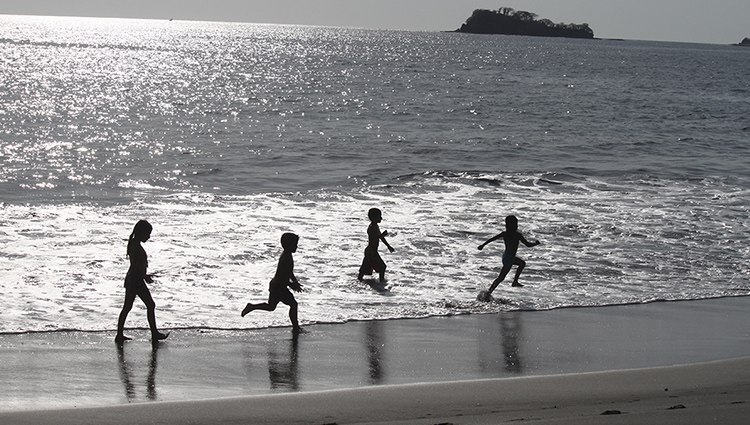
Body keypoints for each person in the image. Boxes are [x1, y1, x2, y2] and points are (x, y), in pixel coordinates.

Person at [115, 220, 169, 343]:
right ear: (141, 233)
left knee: (127, 307)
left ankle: (119, 334)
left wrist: (145, 275)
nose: (149, 237)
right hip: (136, 280)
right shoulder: (136, 247)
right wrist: (144, 276)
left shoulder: (134, 244)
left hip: (132, 279)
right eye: (147, 234)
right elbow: (137, 266)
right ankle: (154, 334)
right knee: (150, 305)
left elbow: (136, 265)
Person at [241, 233, 303, 332]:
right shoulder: (286, 258)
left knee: (271, 307)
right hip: (279, 286)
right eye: (295, 245)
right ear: (288, 245)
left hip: (276, 285)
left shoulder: (287, 255)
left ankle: (252, 306)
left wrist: (294, 281)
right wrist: (291, 285)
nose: (296, 247)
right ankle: (295, 328)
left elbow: (289, 272)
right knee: (293, 304)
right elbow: (283, 276)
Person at [478, 215, 540, 295]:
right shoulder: (517, 235)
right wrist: (535, 243)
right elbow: (528, 245)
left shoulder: (505, 233)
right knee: (501, 277)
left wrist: (483, 245)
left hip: (506, 256)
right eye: (516, 224)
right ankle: (489, 292)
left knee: (522, 264)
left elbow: (492, 239)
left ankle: (514, 282)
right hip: (509, 259)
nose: (517, 226)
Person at [357, 208, 395, 283]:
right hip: (371, 252)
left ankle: (359, 281)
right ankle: (382, 283)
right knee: (382, 267)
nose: (381, 218)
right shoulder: (371, 227)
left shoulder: (375, 226)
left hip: (370, 251)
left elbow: (380, 237)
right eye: (379, 216)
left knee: (364, 269)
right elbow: (376, 237)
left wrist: (388, 246)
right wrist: (382, 235)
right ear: (373, 218)